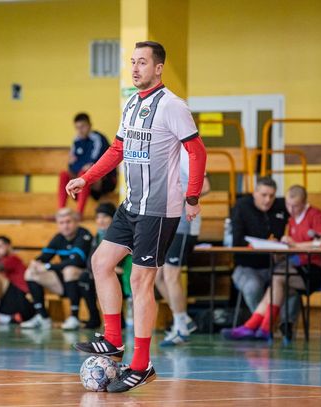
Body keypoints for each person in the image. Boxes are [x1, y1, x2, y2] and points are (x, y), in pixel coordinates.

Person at [68, 41, 207, 392]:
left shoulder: (173, 106)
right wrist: (87, 178)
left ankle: (142, 365)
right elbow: (117, 148)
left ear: (158, 67)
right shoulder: (131, 103)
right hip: (131, 204)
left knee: (141, 282)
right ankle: (113, 339)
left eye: (142, 62)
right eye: (132, 62)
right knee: (100, 262)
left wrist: (192, 197)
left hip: (158, 210)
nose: (134, 68)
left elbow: (197, 151)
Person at [222, 185, 321, 340]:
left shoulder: (316, 215)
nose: (291, 209)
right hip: (300, 267)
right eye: (288, 205)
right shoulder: (292, 219)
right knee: (276, 284)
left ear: (304, 203)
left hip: (318, 269)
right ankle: (260, 328)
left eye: (295, 206)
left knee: (278, 276)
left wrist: (295, 245)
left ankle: (258, 327)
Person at [229, 177, 300, 334]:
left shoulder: (282, 205)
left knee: (292, 283)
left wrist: (285, 242)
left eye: (271, 196)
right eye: (263, 195)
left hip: (275, 264)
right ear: (254, 193)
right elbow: (237, 241)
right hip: (247, 266)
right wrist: (262, 244)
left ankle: (286, 326)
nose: (268, 200)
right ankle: (261, 325)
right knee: (253, 286)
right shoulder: (241, 206)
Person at [155, 147, 210, 346]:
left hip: (184, 223)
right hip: (166, 221)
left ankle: (180, 328)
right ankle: (184, 319)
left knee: (171, 275)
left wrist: (180, 198)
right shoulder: (163, 150)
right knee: (158, 277)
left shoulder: (187, 154)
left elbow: (205, 186)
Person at [20, 208, 94, 330]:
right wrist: (36, 263)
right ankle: (43, 317)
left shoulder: (84, 235)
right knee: (30, 273)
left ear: (76, 222)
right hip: (64, 281)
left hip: (86, 280)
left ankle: (74, 317)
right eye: (61, 223)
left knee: (70, 270)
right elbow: (45, 256)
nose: (65, 226)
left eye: (68, 222)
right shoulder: (59, 237)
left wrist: (48, 266)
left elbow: (76, 261)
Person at [58, 113, 116, 216]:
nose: (80, 130)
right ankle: (61, 212)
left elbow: (95, 163)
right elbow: (71, 165)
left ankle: (79, 213)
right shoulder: (76, 140)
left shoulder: (98, 138)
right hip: (86, 180)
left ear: (89, 125)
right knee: (64, 174)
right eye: (77, 128)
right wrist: (81, 164)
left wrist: (79, 164)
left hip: (105, 180)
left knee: (83, 173)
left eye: (83, 126)